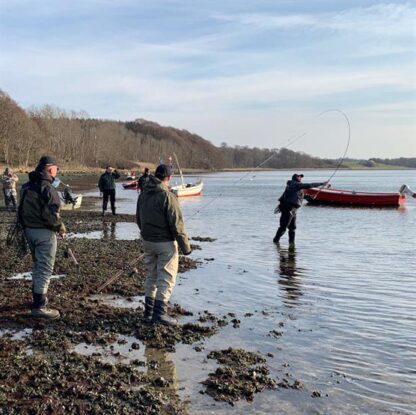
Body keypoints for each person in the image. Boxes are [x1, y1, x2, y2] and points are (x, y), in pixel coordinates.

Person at [136, 164, 192, 326]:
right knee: (166, 278)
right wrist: (185, 248)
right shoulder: (167, 196)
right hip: (165, 243)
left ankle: (148, 312)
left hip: (147, 241)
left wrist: (146, 234)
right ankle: (159, 314)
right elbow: (177, 225)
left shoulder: (143, 193)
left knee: (151, 275)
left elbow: (138, 218)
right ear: (169, 178)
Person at [19, 156, 66, 319]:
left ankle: (36, 298)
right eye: (56, 169)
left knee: (38, 265)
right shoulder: (48, 188)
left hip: (29, 231)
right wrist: (60, 228)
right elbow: (51, 216)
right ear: (50, 169)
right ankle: (39, 306)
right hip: (44, 233)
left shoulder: (26, 186)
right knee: (45, 268)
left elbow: (21, 209)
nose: (57, 172)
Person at [273, 174, 328, 245]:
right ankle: (275, 241)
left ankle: (291, 244)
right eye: (299, 176)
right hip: (288, 208)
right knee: (283, 227)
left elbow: (299, 195)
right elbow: (309, 185)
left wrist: (309, 197)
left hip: (293, 209)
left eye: (301, 177)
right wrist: (322, 183)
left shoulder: (295, 186)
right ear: (295, 178)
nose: (301, 178)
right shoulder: (295, 184)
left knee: (292, 228)